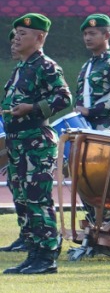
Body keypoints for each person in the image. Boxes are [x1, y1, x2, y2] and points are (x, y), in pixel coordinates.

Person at [4, 14, 70, 272]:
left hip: (35, 141)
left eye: (23, 34)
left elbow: (64, 98)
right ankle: (33, 254)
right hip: (18, 141)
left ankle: (47, 256)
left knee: (37, 199)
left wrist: (31, 108)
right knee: (22, 198)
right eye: (16, 34)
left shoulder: (46, 66)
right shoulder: (21, 67)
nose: (17, 38)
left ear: (39, 37)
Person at [74, 13, 110, 128]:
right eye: (85, 34)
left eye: (92, 33)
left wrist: (90, 111)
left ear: (107, 35)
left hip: (106, 129)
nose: (87, 38)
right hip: (85, 127)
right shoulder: (87, 65)